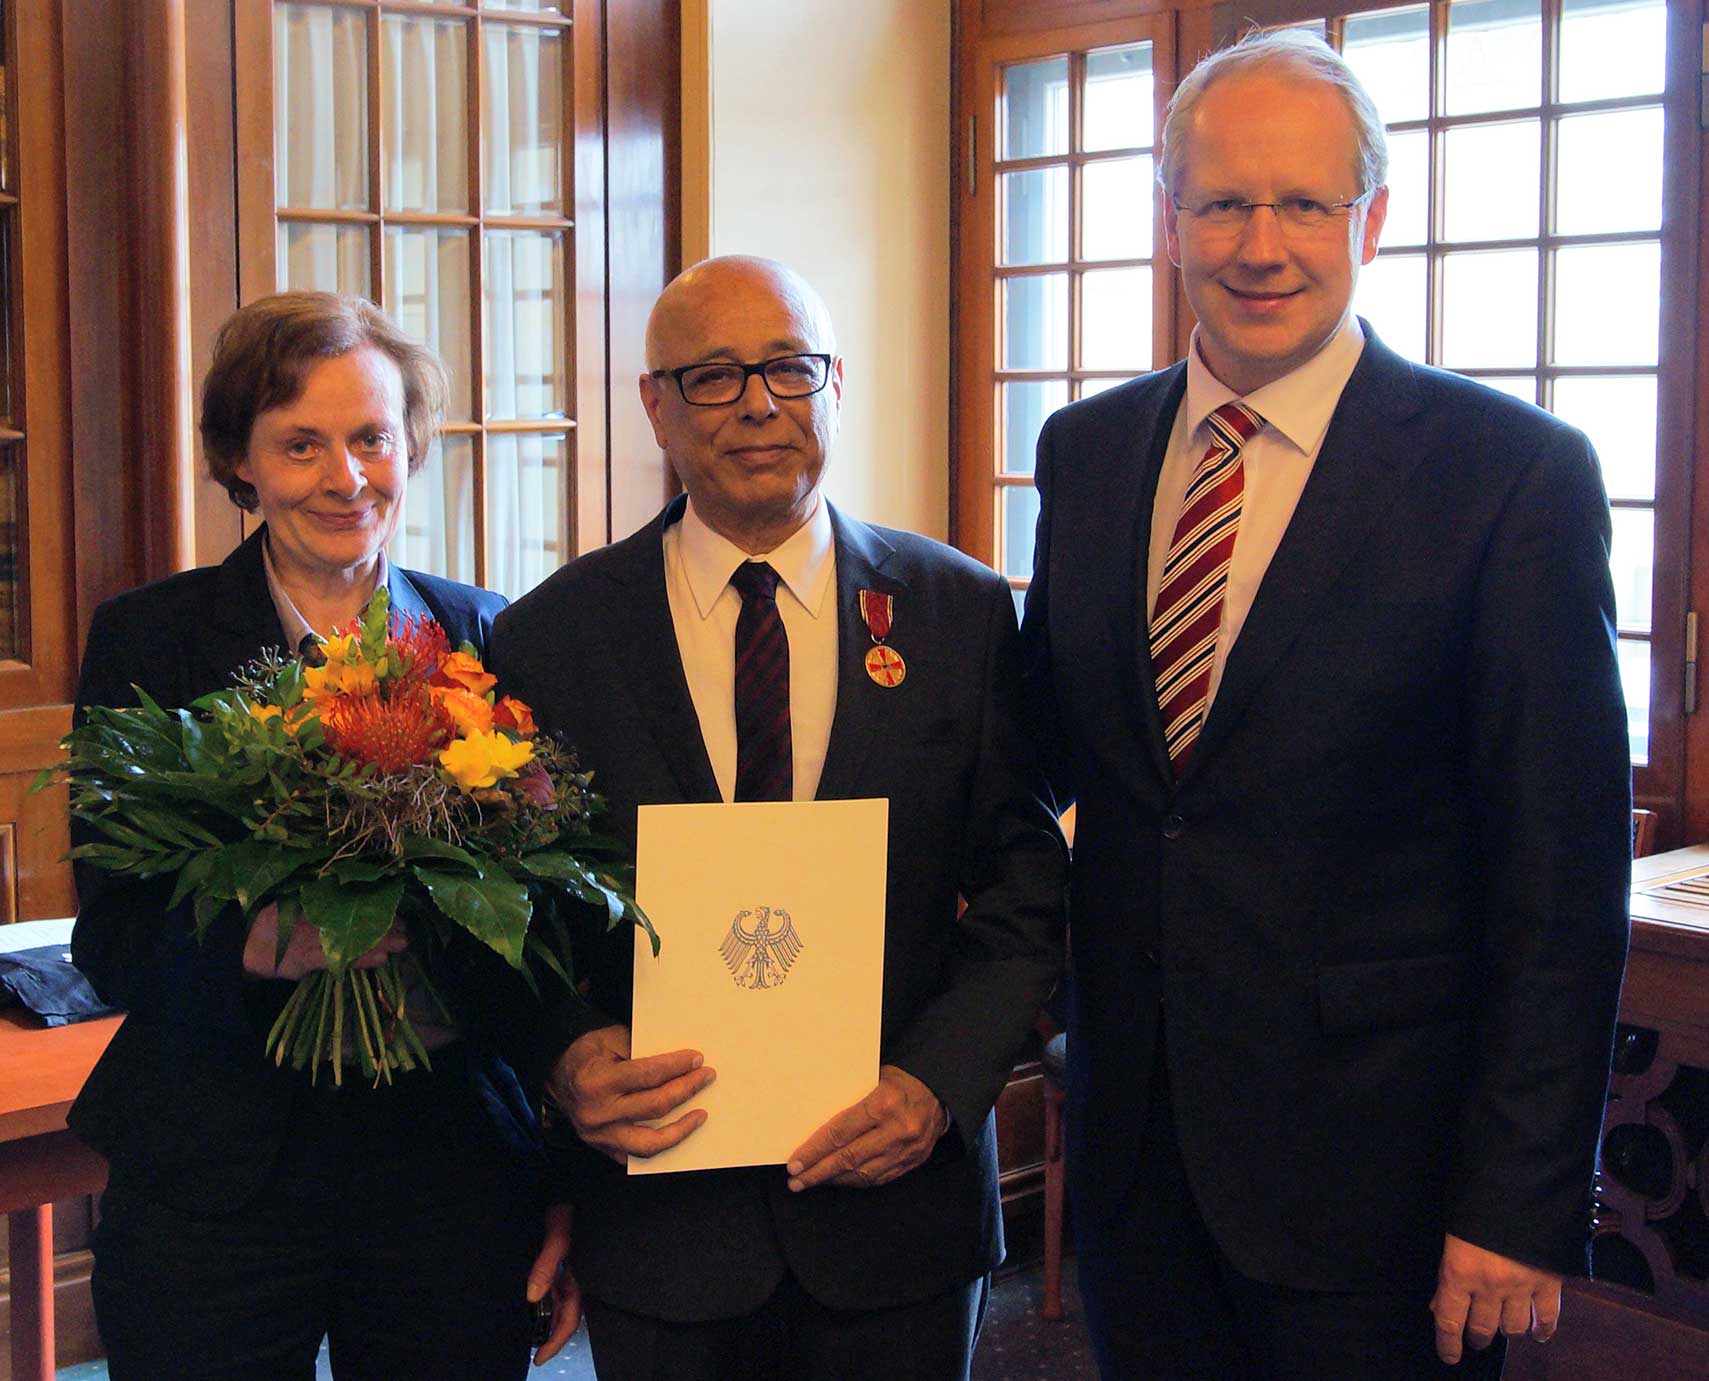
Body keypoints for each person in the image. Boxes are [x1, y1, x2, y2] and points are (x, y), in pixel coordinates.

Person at [1020, 29, 1631, 1381]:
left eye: (1303, 202)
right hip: (1136, 1153)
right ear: (1168, 215)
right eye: (1224, 201)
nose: (1261, 244)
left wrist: (1515, 1203)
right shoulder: (1091, 450)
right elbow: (1042, 753)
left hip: (1388, 1184)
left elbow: (1562, 878)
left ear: (1374, 216)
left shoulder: (1507, 476)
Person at [488, 254, 1066, 1380]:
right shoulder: (550, 639)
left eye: (789, 369)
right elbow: (509, 915)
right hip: (660, 1223)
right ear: (653, 403)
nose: (758, 403)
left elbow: (1025, 889)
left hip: (899, 1207)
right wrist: (560, 1057)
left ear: (835, 386)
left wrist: (936, 1087)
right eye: (711, 376)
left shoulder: (956, 610)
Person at [69, 291, 579, 1379]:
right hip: (214, 1169)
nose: (345, 479)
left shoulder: (489, 634)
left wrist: (570, 1177)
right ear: (240, 463)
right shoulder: (148, 642)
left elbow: (545, 942)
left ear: (409, 446)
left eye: (371, 439)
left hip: (444, 1169)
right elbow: (111, 934)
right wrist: (260, 943)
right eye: (301, 444)